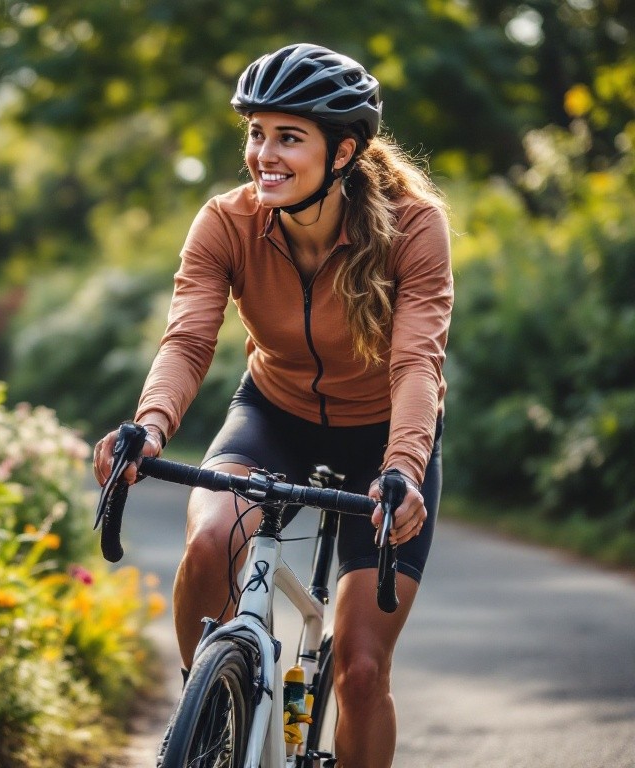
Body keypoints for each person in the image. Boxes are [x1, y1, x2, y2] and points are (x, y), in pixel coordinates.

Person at [92, 42, 452, 768]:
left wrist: (405, 468)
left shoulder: (413, 226)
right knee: (209, 538)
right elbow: (189, 339)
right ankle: (212, 720)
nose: (264, 154)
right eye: (256, 133)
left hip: (384, 447)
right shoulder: (227, 221)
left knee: (358, 668)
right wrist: (151, 425)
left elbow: (417, 361)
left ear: (344, 149)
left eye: (289, 137)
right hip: (272, 414)